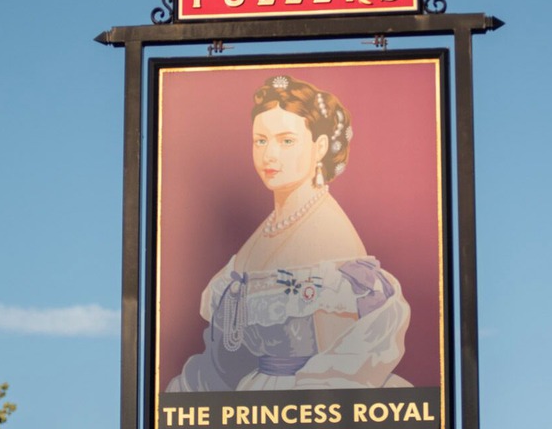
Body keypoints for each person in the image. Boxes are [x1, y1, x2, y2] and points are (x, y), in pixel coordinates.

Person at [166, 74, 411, 392]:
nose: (270, 155)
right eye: (260, 140)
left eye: (286, 141)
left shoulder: (329, 238)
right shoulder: (272, 225)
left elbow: (341, 371)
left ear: (319, 146)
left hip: (299, 403)